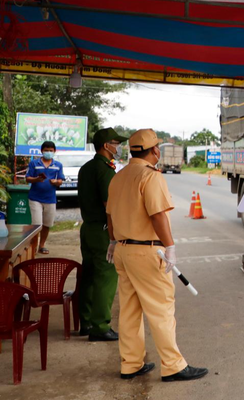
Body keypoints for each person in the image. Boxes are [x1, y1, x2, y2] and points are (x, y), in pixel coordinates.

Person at [106, 129, 208, 382]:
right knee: (161, 309)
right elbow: (158, 215)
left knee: (129, 310)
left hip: (122, 249)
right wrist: (170, 246)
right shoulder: (150, 177)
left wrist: (112, 241)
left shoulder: (118, 177)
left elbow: (108, 214)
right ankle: (173, 366)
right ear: (154, 151)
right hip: (146, 251)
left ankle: (130, 364)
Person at [77, 128, 128, 341]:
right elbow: (110, 206)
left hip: (87, 227)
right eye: (115, 143)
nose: (118, 147)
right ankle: (100, 326)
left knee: (88, 275)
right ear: (106, 146)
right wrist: (115, 237)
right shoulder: (105, 170)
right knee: (106, 276)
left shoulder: (86, 168)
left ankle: (86, 322)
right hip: (102, 230)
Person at [25, 141, 64, 254]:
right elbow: (28, 178)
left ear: (54, 151)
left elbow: (60, 180)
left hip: (50, 198)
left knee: (47, 224)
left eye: (51, 151)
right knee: (36, 224)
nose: (48, 152)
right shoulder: (34, 163)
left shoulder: (58, 165)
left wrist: (56, 182)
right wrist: (36, 179)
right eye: (46, 150)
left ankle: (42, 245)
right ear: (42, 151)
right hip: (35, 198)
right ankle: (33, 246)